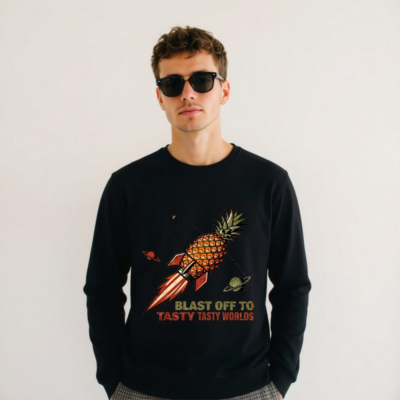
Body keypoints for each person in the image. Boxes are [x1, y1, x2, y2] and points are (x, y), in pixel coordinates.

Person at [83, 26, 311, 400]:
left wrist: (281, 379)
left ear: (224, 90)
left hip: (249, 388)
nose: (188, 93)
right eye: (172, 83)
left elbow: (292, 286)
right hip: (143, 388)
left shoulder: (269, 183)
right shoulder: (128, 186)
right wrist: (113, 380)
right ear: (160, 97)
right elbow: (102, 289)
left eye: (202, 80)